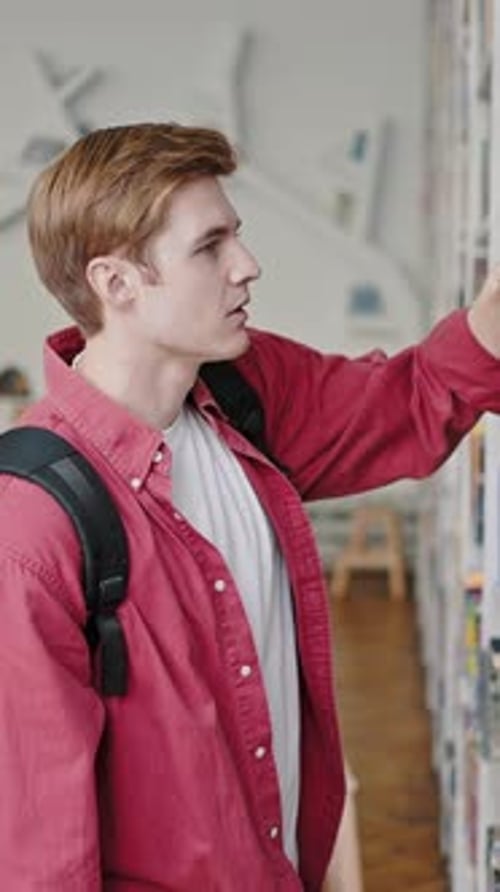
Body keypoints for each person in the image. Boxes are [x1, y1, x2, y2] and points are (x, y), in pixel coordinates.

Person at [1, 122, 500, 892]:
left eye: (235, 234)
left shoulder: (242, 389)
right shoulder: (31, 524)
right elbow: (41, 853)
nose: (247, 265)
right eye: (210, 247)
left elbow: (405, 401)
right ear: (116, 282)